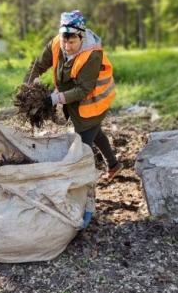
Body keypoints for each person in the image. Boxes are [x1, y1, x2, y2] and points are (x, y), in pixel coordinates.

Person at [24, 10, 120, 179]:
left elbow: (84, 90)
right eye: (64, 40)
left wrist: (53, 99)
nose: (67, 47)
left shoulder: (92, 55)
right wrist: (28, 87)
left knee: (81, 150)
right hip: (75, 101)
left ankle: (85, 190)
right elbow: (39, 65)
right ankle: (114, 165)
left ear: (81, 37)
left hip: (94, 102)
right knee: (95, 132)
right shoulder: (56, 44)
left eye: (72, 42)